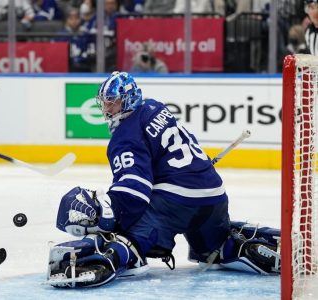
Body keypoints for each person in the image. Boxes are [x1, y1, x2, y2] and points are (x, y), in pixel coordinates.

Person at [46, 71, 281, 288]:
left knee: (127, 237)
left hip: (175, 204)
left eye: (112, 102)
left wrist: (110, 218)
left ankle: (113, 256)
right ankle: (237, 245)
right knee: (212, 251)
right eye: (105, 103)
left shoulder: (124, 138)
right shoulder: (154, 107)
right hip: (214, 197)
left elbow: (133, 194)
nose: (107, 110)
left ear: (127, 100)